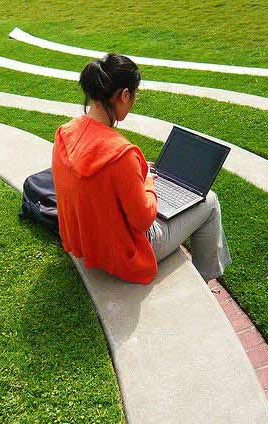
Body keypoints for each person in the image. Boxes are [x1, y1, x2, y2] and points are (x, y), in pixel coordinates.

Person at [52, 53, 232, 284]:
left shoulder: (65, 132)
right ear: (125, 95)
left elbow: (99, 178)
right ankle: (206, 279)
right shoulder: (122, 154)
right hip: (124, 254)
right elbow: (143, 220)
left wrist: (135, 173)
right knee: (210, 202)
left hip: (87, 241)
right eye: (135, 95)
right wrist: (147, 181)